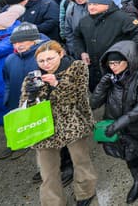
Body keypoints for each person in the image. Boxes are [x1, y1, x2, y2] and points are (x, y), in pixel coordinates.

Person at [20, 41, 97, 206]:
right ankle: (53, 202)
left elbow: (79, 95)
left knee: (80, 161)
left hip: (73, 122)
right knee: (48, 172)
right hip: (44, 129)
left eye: (50, 59)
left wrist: (57, 84)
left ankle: (85, 192)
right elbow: (24, 106)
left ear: (61, 54)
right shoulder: (31, 77)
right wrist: (32, 96)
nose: (46, 64)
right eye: (41, 61)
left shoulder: (76, 67)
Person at [89, 41, 138, 203]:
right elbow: (93, 104)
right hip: (116, 124)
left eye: (117, 63)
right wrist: (102, 85)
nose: (113, 67)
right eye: (110, 63)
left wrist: (117, 124)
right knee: (127, 153)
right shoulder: (110, 78)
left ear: (129, 60)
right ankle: (137, 180)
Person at [70, 0, 138, 92]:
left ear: (107, 5)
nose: (91, 7)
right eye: (90, 4)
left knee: (121, 96)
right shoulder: (85, 20)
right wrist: (82, 52)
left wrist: (126, 51)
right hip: (95, 68)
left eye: (96, 4)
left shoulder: (121, 17)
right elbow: (77, 36)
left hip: (117, 67)